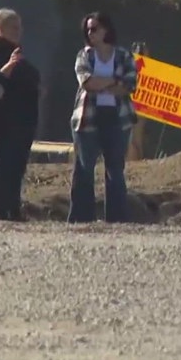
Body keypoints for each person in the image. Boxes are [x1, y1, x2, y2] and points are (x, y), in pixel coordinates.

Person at [68, 12, 139, 223]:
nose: (91, 33)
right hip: (87, 118)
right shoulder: (84, 55)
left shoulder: (124, 56)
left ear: (106, 29)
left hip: (117, 119)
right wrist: (112, 82)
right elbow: (87, 82)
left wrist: (103, 83)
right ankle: (81, 218)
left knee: (115, 170)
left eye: (95, 28)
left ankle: (117, 219)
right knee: (84, 169)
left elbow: (128, 86)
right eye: (88, 29)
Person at [0, 9, 39, 221]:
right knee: (3, 168)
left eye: (20, 27)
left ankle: (13, 208)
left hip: (23, 122)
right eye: (13, 27)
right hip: (5, 122)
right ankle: (0, 209)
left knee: (16, 168)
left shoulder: (16, 53)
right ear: (0, 30)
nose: (19, 31)